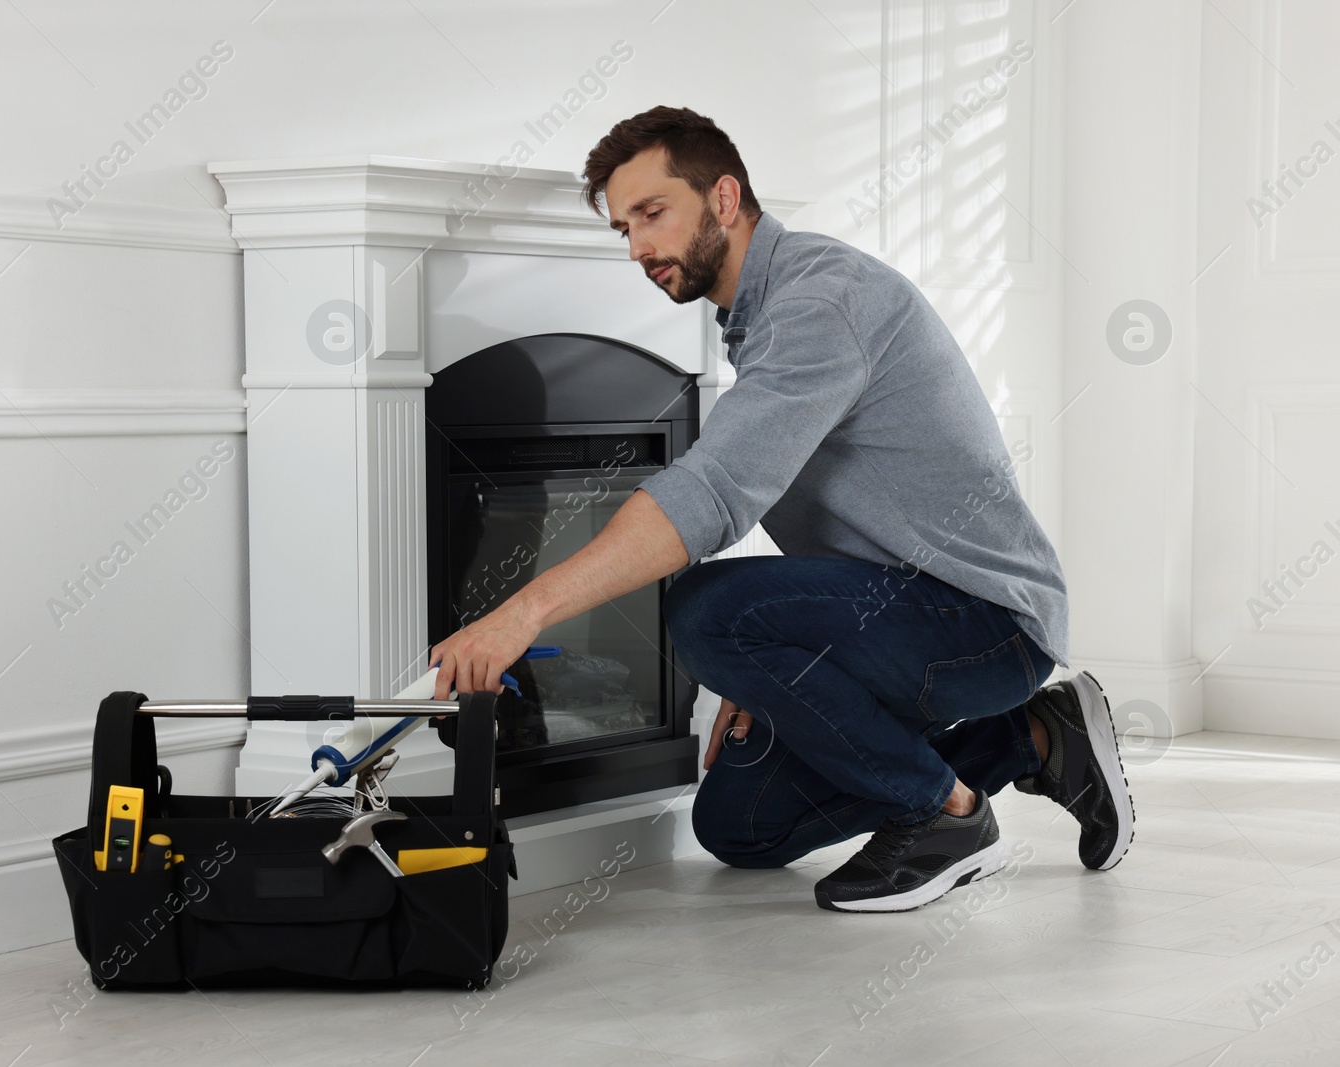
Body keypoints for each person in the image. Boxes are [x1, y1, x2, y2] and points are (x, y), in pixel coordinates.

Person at [428, 105, 1134, 912]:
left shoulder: (818, 304)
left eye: (653, 214)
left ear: (724, 199)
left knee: (703, 609)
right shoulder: (758, 318)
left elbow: (711, 494)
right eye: (624, 228)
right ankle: (1039, 737)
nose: (638, 249)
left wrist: (523, 614)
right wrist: (780, 662)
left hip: (987, 623)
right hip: (900, 606)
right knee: (740, 828)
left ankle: (945, 819)